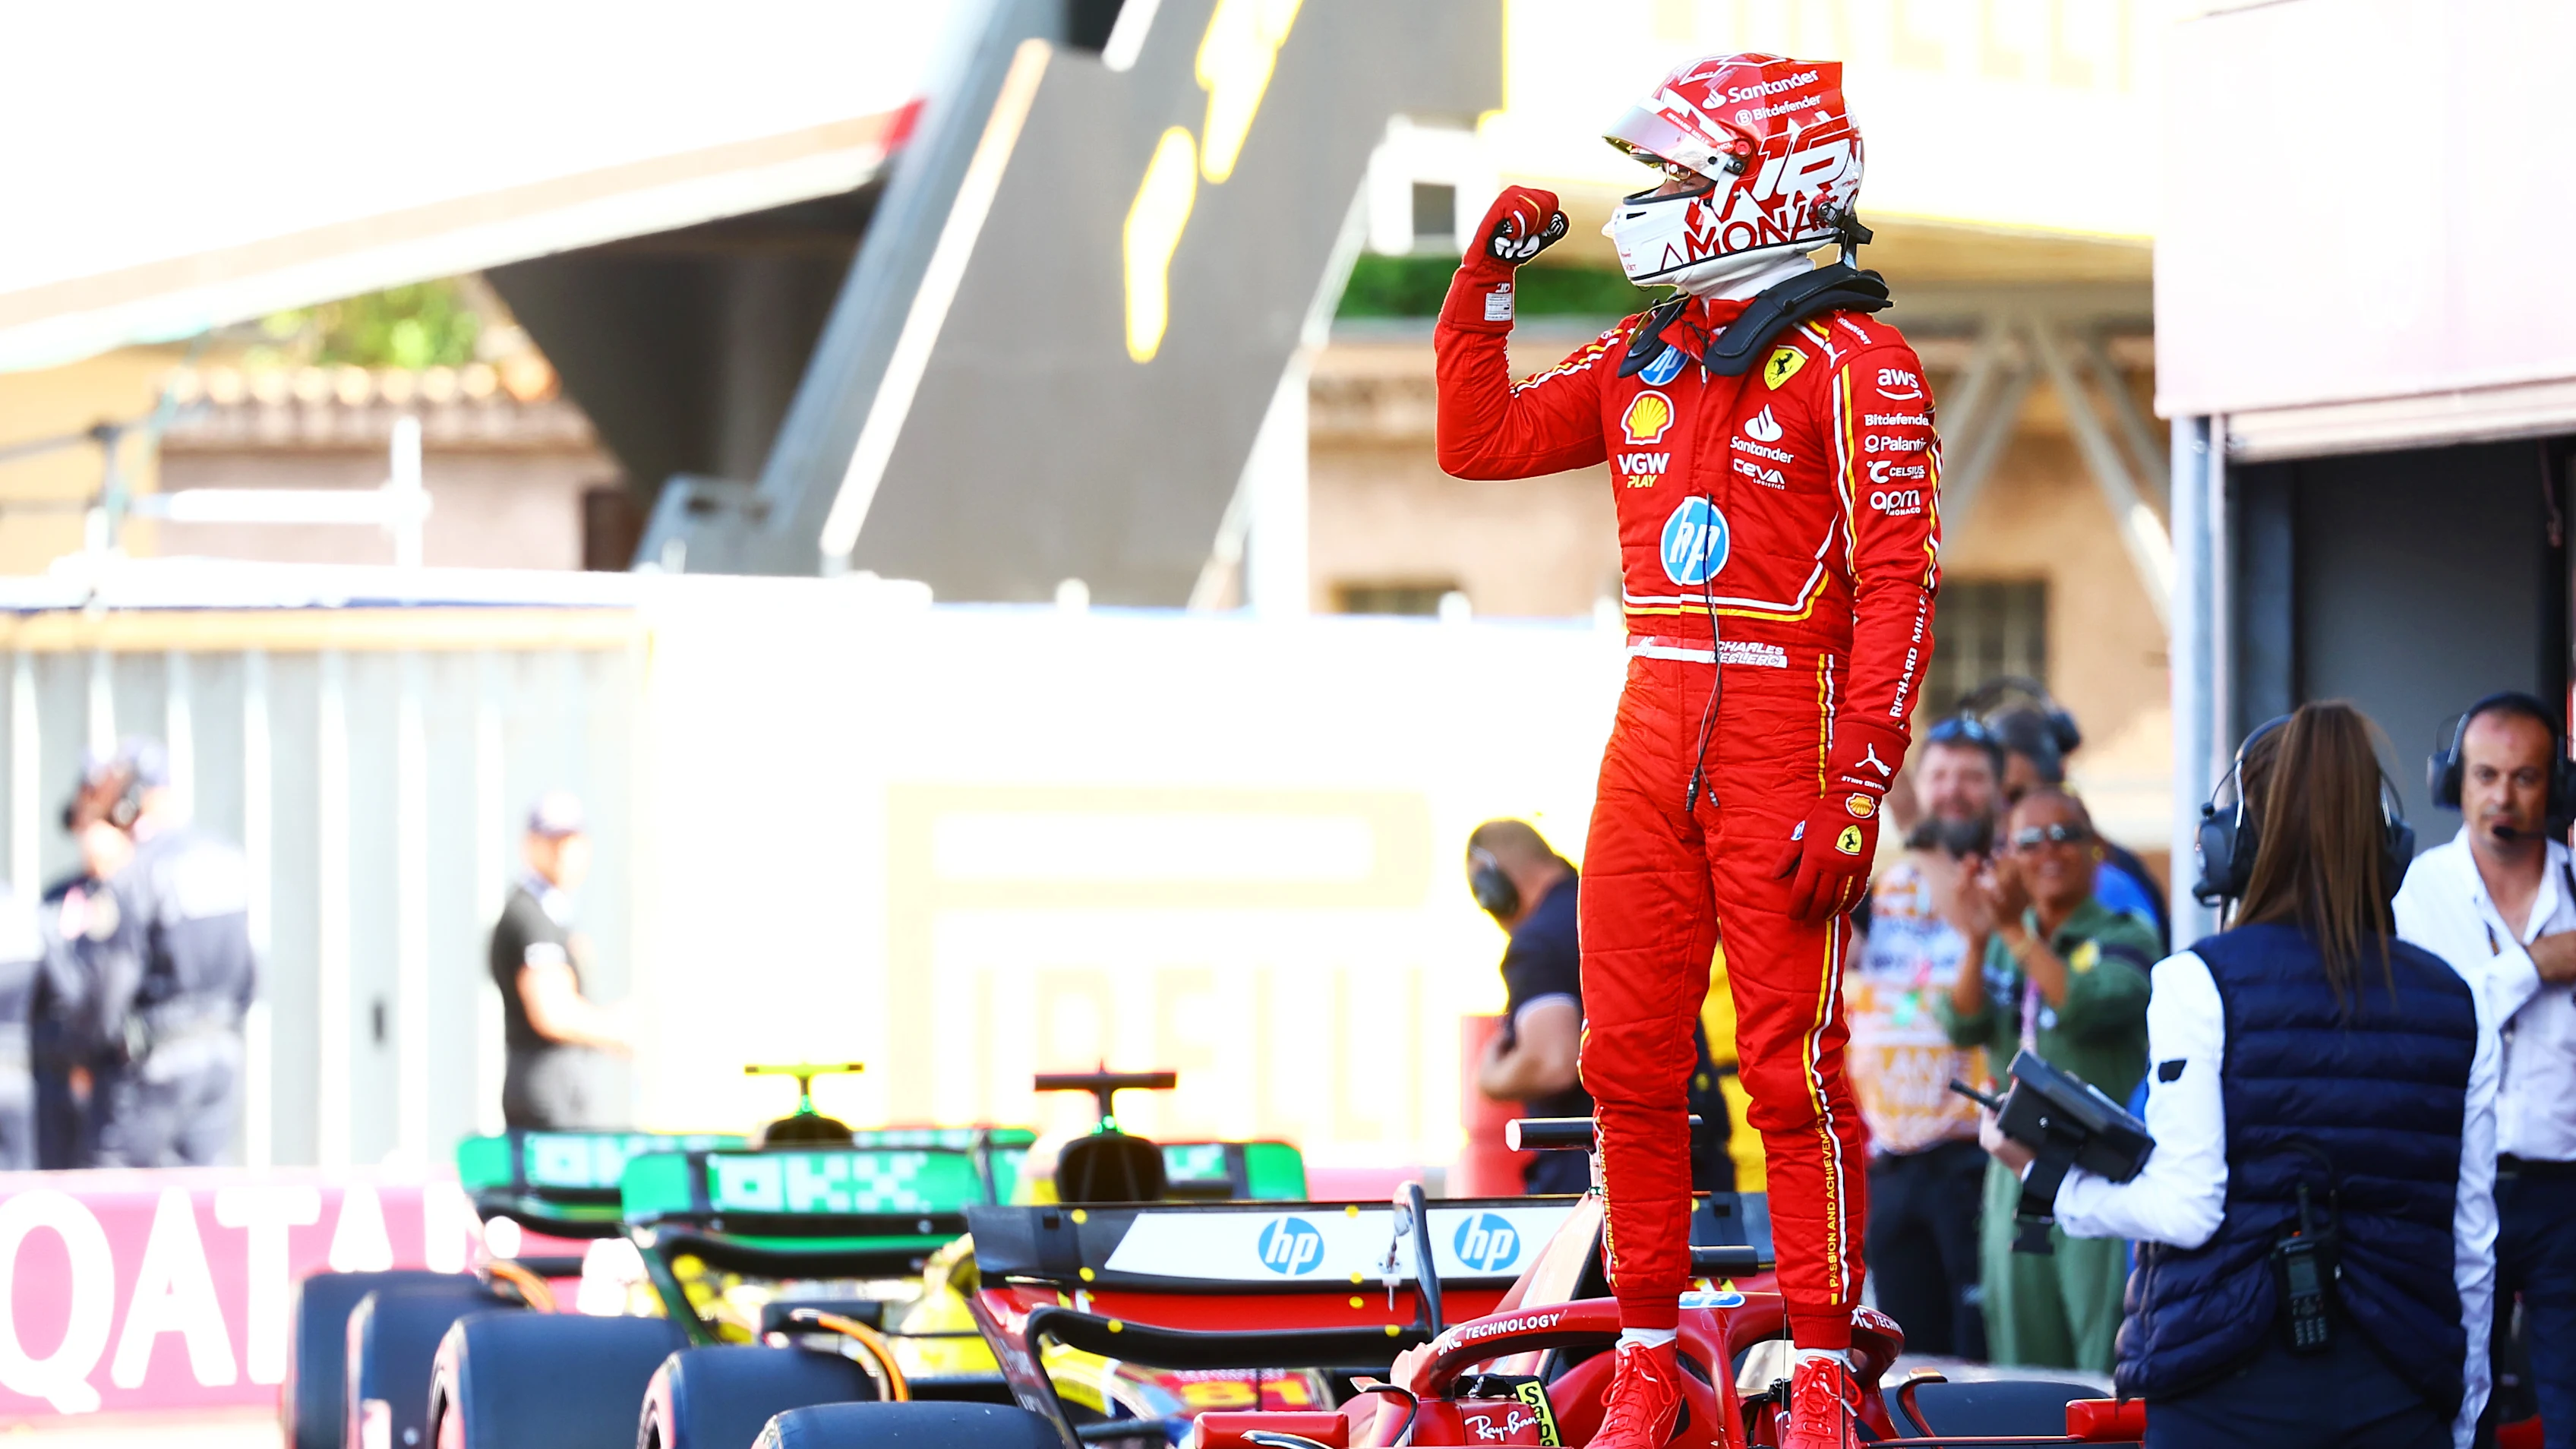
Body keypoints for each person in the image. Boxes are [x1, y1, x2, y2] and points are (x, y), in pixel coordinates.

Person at [1436, 54, 1939, 1447]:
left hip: (1790, 733)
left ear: (1758, 181)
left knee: (1788, 1066)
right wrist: (1484, 285)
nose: (1649, 197)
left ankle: (1825, 1358)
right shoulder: (1645, 351)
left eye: (1674, 172)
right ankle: (1646, 1350)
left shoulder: (1860, 364)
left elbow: (1903, 580)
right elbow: (1476, 440)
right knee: (1627, 1058)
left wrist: (1859, 780)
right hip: (1648, 729)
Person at [2015, 702, 2494, 1449]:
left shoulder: (2194, 983)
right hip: (2401, 1384)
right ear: (2387, 847)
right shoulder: (2455, 1001)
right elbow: (2471, 1240)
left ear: (2231, 849)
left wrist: (2049, 1184)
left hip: (2219, 1386)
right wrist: (2462, 1412)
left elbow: (2185, 1207)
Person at [2392, 693, 2576, 1449]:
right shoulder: (2413, 894)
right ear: (2453, 782)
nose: (2501, 796)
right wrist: (2535, 965)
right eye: (2485, 775)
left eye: (2524, 777)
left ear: (2554, 788)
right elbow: (2428, 1022)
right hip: (2453, 1182)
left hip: (2566, 1193)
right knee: (2450, 1395)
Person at [1934, 788, 2155, 1372]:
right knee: (2021, 1359)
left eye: (2065, 835)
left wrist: (2011, 932)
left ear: (2097, 848)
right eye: (2029, 840)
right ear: (2007, 856)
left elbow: (2085, 1004)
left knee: (2102, 1349)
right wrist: (1980, 938)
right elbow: (1961, 1022)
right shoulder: (2006, 941)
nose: (2049, 851)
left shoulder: (2126, 933)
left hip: (2098, 1169)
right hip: (2016, 1171)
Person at [1843, 716, 2001, 1359]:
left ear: (2000, 789)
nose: (1952, 791)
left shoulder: (2010, 868)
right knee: (1907, 1360)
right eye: (1939, 775)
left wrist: (1916, 831)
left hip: (1976, 1156)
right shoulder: (1892, 877)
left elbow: (1977, 935)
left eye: (1972, 777)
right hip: (1892, 1157)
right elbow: (1842, 960)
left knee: (1979, 1354)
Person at [1465, 820, 1731, 1196]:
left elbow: (1552, 1063)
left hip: (1599, 1186)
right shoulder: (1627, 912)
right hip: (1694, 1165)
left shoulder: (1539, 942)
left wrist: (1489, 1076)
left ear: (1492, 887)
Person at [81, 739, 257, 1168]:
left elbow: (113, 985)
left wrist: (87, 1055)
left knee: (118, 1202)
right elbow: (251, 974)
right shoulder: (227, 860)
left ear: (132, 798)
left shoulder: (138, 871)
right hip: (221, 1056)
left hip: (158, 1062)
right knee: (203, 1199)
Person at [491, 791, 633, 1128]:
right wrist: (618, 1030)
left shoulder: (551, 914)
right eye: (552, 841)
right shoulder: (531, 917)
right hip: (547, 1089)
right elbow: (552, 1012)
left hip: (558, 1086)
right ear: (530, 845)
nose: (563, 853)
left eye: (571, 841)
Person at [1984, 699, 2169, 949]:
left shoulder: (2107, 877)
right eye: (1992, 796)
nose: (2003, 812)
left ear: (2057, 783)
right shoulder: (1983, 868)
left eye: (2016, 795)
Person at [31, 778, 140, 1168]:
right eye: (86, 825)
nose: (91, 838)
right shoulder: (60, 897)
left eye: (103, 824)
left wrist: (91, 1056)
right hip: (57, 1071)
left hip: (118, 1071)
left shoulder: (138, 896)